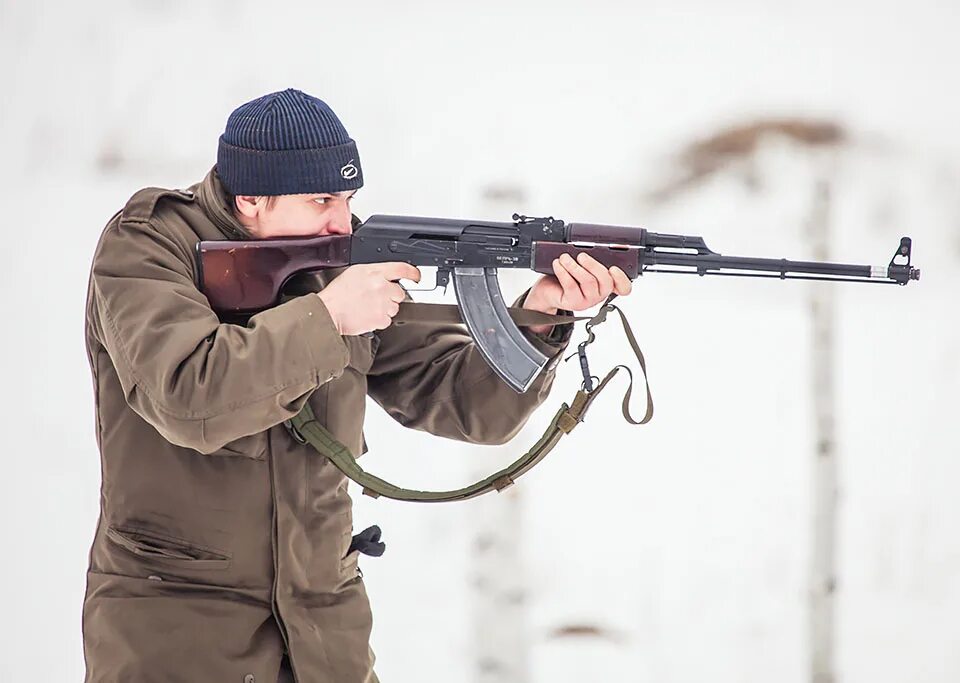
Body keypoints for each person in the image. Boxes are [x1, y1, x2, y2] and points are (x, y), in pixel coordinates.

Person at [81, 88, 632, 682]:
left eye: (347, 198)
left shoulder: (337, 260)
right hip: (179, 630)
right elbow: (189, 396)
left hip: (324, 635)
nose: (343, 220)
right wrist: (327, 319)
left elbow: (471, 409)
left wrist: (539, 318)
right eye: (322, 199)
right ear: (251, 198)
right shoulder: (146, 245)